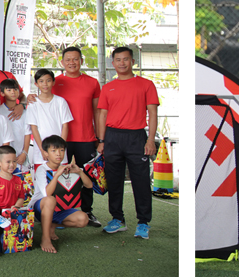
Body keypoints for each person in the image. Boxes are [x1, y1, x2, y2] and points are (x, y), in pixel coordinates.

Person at [95, 47, 160, 239]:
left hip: (136, 137)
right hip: (112, 137)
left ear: (132, 61)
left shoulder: (146, 85)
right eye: (118, 60)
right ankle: (117, 220)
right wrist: (101, 140)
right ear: (112, 63)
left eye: (125, 59)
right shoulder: (108, 87)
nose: (122, 63)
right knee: (114, 181)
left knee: (141, 181)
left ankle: (143, 222)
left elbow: (153, 113)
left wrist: (150, 140)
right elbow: (102, 115)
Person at [53, 46, 102, 226]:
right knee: (60, 176)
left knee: (85, 176)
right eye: (68, 59)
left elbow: (98, 112)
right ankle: (60, 214)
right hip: (61, 140)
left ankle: (87, 212)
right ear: (62, 62)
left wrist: (100, 138)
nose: (72, 63)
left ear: (81, 61)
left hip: (86, 138)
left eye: (75, 59)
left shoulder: (92, 83)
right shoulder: (54, 82)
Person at [33, 135, 90, 253]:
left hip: (60, 209)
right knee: (50, 200)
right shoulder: (41, 169)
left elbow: (89, 186)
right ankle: (45, 238)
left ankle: (52, 225)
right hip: (41, 208)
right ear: (46, 153)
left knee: (83, 219)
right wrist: (57, 175)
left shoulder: (67, 168)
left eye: (61, 150)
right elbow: (47, 193)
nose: (58, 154)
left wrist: (79, 172)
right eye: (53, 151)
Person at [0, 145, 28, 257]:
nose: (12, 165)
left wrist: (16, 206)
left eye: (14, 161)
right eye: (8, 162)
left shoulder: (18, 180)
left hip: (12, 210)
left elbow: (21, 197)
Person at [26, 69, 73, 170]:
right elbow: (34, 128)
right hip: (41, 153)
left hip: (59, 154)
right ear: (36, 84)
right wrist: (43, 150)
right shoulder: (33, 104)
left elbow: (65, 126)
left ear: (53, 82)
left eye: (48, 80)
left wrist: (61, 149)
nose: (45, 84)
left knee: (61, 181)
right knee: (42, 182)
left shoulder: (61, 102)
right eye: (41, 81)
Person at [0, 79, 31, 166]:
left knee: (22, 179)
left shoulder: (25, 112)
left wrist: (24, 153)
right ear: (2, 93)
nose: (13, 92)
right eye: (9, 90)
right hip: (3, 158)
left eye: (15, 89)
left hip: (20, 157)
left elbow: (27, 134)